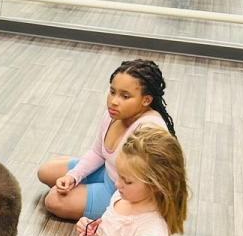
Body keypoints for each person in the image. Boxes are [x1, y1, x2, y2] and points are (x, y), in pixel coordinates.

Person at [37, 58, 175, 221]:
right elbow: (97, 152)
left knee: (53, 200)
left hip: (122, 191)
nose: (114, 101)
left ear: (146, 100)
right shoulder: (115, 113)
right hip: (107, 171)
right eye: (112, 92)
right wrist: (73, 177)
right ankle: (81, 188)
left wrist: (121, 210)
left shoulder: (149, 130)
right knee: (45, 171)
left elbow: (147, 187)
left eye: (125, 96)